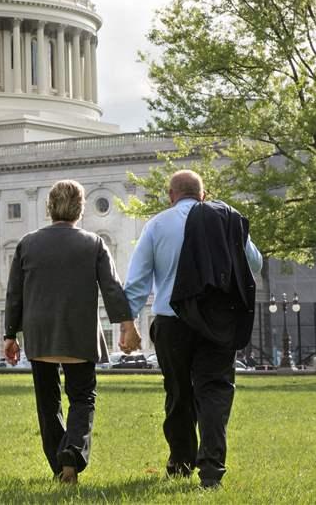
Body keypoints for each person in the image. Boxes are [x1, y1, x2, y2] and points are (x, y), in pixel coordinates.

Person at [120, 170, 262, 489]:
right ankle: (211, 469)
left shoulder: (157, 225)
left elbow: (138, 281)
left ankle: (181, 462)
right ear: (203, 194)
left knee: (179, 392)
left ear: (171, 195)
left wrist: (129, 325)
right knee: (214, 391)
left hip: (173, 322)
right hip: (217, 319)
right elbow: (255, 263)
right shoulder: (228, 219)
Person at [4, 179, 135, 485]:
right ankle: (72, 452)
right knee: (82, 397)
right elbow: (112, 288)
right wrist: (127, 325)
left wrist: (11, 334)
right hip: (79, 333)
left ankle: (60, 461)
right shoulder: (94, 243)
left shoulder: (27, 243)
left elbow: (15, 293)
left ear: (49, 207)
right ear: (80, 209)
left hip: (40, 335)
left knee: (47, 404)